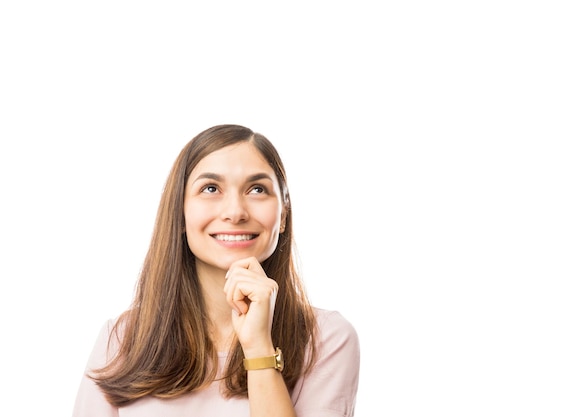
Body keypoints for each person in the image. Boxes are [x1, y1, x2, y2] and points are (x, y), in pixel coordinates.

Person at [72, 124, 360, 417]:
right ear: (180, 213)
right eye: (211, 188)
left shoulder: (327, 339)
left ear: (283, 215)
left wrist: (259, 347)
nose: (235, 212)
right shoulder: (121, 339)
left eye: (257, 189)